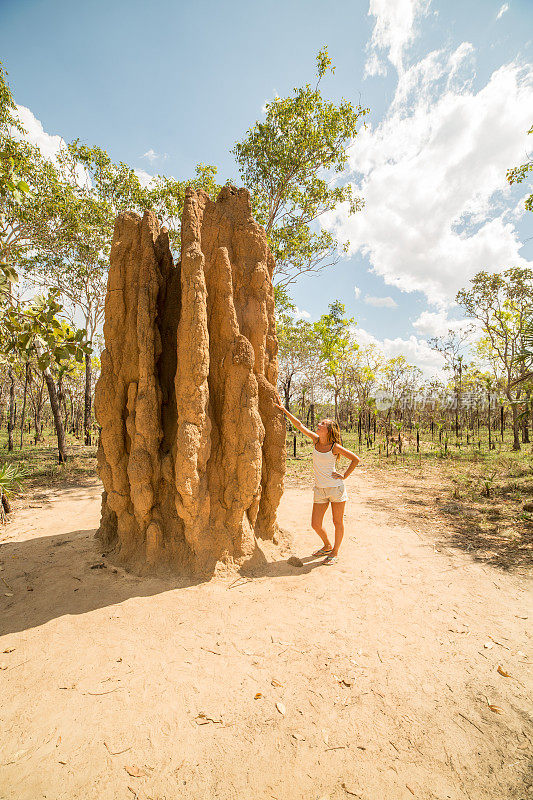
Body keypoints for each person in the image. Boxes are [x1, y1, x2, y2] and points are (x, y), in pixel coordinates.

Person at [273, 393, 361, 564]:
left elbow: (355, 459)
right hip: (320, 489)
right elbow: (299, 425)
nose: (318, 425)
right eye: (320, 423)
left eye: (322, 424)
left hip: (336, 489)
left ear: (329, 430)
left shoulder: (335, 447)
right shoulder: (315, 440)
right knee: (315, 524)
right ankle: (327, 545)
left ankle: (334, 553)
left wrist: (344, 475)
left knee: (337, 522)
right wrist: (284, 410)